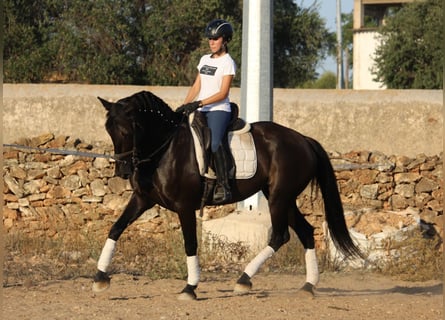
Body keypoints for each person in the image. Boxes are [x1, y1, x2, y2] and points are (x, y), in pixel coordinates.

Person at [177, 19, 236, 204]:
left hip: (219, 109)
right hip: (201, 108)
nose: (211, 42)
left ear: (224, 40)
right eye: (209, 39)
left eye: (215, 38)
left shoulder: (228, 62)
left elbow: (223, 92)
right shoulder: (204, 60)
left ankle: (224, 186)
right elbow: (197, 85)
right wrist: (184, 105)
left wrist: (200, 103)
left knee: (215, 143)